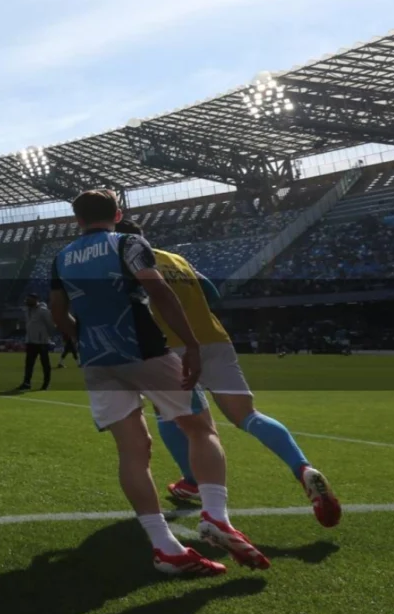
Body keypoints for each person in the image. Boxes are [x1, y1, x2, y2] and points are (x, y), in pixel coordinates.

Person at [49, 189, 265, 576]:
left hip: (98, 361)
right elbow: (158, 289)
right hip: (144, 349)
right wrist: (193, 345)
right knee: (201, 427)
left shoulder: (61, 257)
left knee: (133, 451)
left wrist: (79, 341)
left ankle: (164, 546)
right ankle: (215, 515)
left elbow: (57, 310)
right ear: (117, 214)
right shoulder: (128, 242)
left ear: (76, 220)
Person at [113, 220, 340, 528]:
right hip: (215, 338)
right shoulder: (175, 258)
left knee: (170, 416)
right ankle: (303, 468)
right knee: (248, 415)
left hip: (172, 344)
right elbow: (211, 290)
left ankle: (193, 481)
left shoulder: (125, 261)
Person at [13, 294, 56, 391]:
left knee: (45, 364)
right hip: (31, 341)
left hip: (42, 342)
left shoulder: (43, 311)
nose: (27, 301)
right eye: (26, 299)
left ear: (36, 300)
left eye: (29, 300)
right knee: (29, 364)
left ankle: (46, 383)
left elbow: (51, 325)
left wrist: (46, 337)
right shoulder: (28, 311)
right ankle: (26, 383)